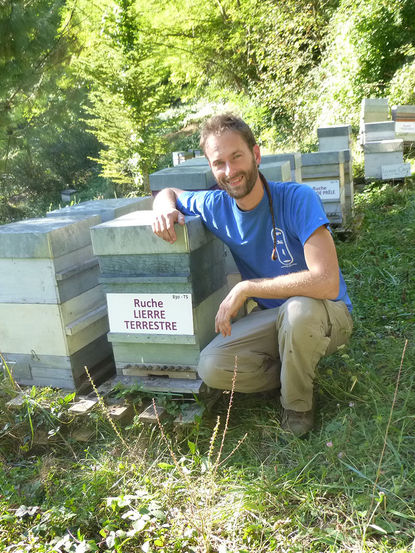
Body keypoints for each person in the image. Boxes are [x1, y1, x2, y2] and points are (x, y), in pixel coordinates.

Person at [150, 113, 353, 436]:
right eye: (219, 163)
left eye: (236, 157)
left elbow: (326, 281)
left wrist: (246, 288)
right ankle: (294, 372)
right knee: (212, 366)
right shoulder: (215, 206)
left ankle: (297, 407)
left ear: (256, 155)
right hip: (274, 315)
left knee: (298, 311)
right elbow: (169, 192)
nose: (230, 172)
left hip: (327, 313)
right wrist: (162, 207)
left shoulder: (297, 199)